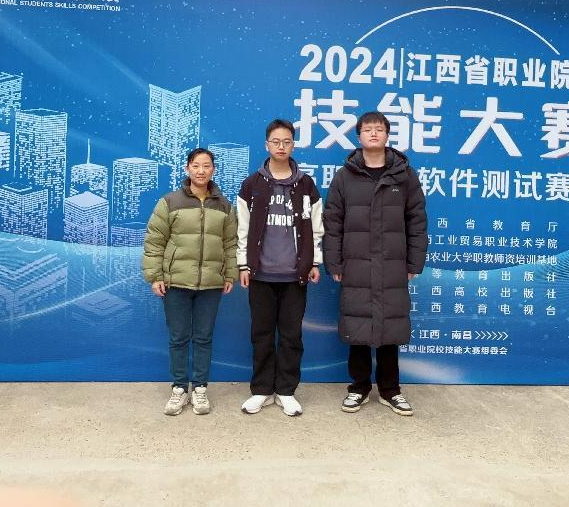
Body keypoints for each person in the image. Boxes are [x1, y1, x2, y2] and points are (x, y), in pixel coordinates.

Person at [323, 111, 427, 416]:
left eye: (378, 129)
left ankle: (390, 390)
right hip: (356, 263)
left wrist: (414, 262)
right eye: (367, 129)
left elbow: (417, 221)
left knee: (389, 328)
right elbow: (333, 222)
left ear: (387, 135)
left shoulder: (404, 175)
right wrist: (334, 262)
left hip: (392, 264)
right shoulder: (345, 176)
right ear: (358, 137)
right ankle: (358, 387)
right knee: (357, 324)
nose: (373, 133)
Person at [237, 119, 324, 417]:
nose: (281, 146)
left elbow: (316, 227)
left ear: (293, 145)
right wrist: (244, 265)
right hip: (260, 273)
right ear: (267, 145)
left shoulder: (306, 184)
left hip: (294, 275)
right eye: (276, 141)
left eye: (287, 141)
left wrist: (314, 261)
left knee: (291, 336)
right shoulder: (252, 184)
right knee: (261, 334)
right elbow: (242, 229)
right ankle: (262, 390)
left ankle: (286, 390)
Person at [142, 147, 237, 416]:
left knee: (204, 338)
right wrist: (155, 276)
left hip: (211, 284)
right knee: (178, 337)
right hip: (176, 282)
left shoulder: (224, 205)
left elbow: (231, 243)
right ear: (187, 169)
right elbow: (154, 241)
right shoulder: (170, 202)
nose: (201, 171)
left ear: (213, 170)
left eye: (206, 166)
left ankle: (200, 388)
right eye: (196, 166)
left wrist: (229, 273)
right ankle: (179, 388)